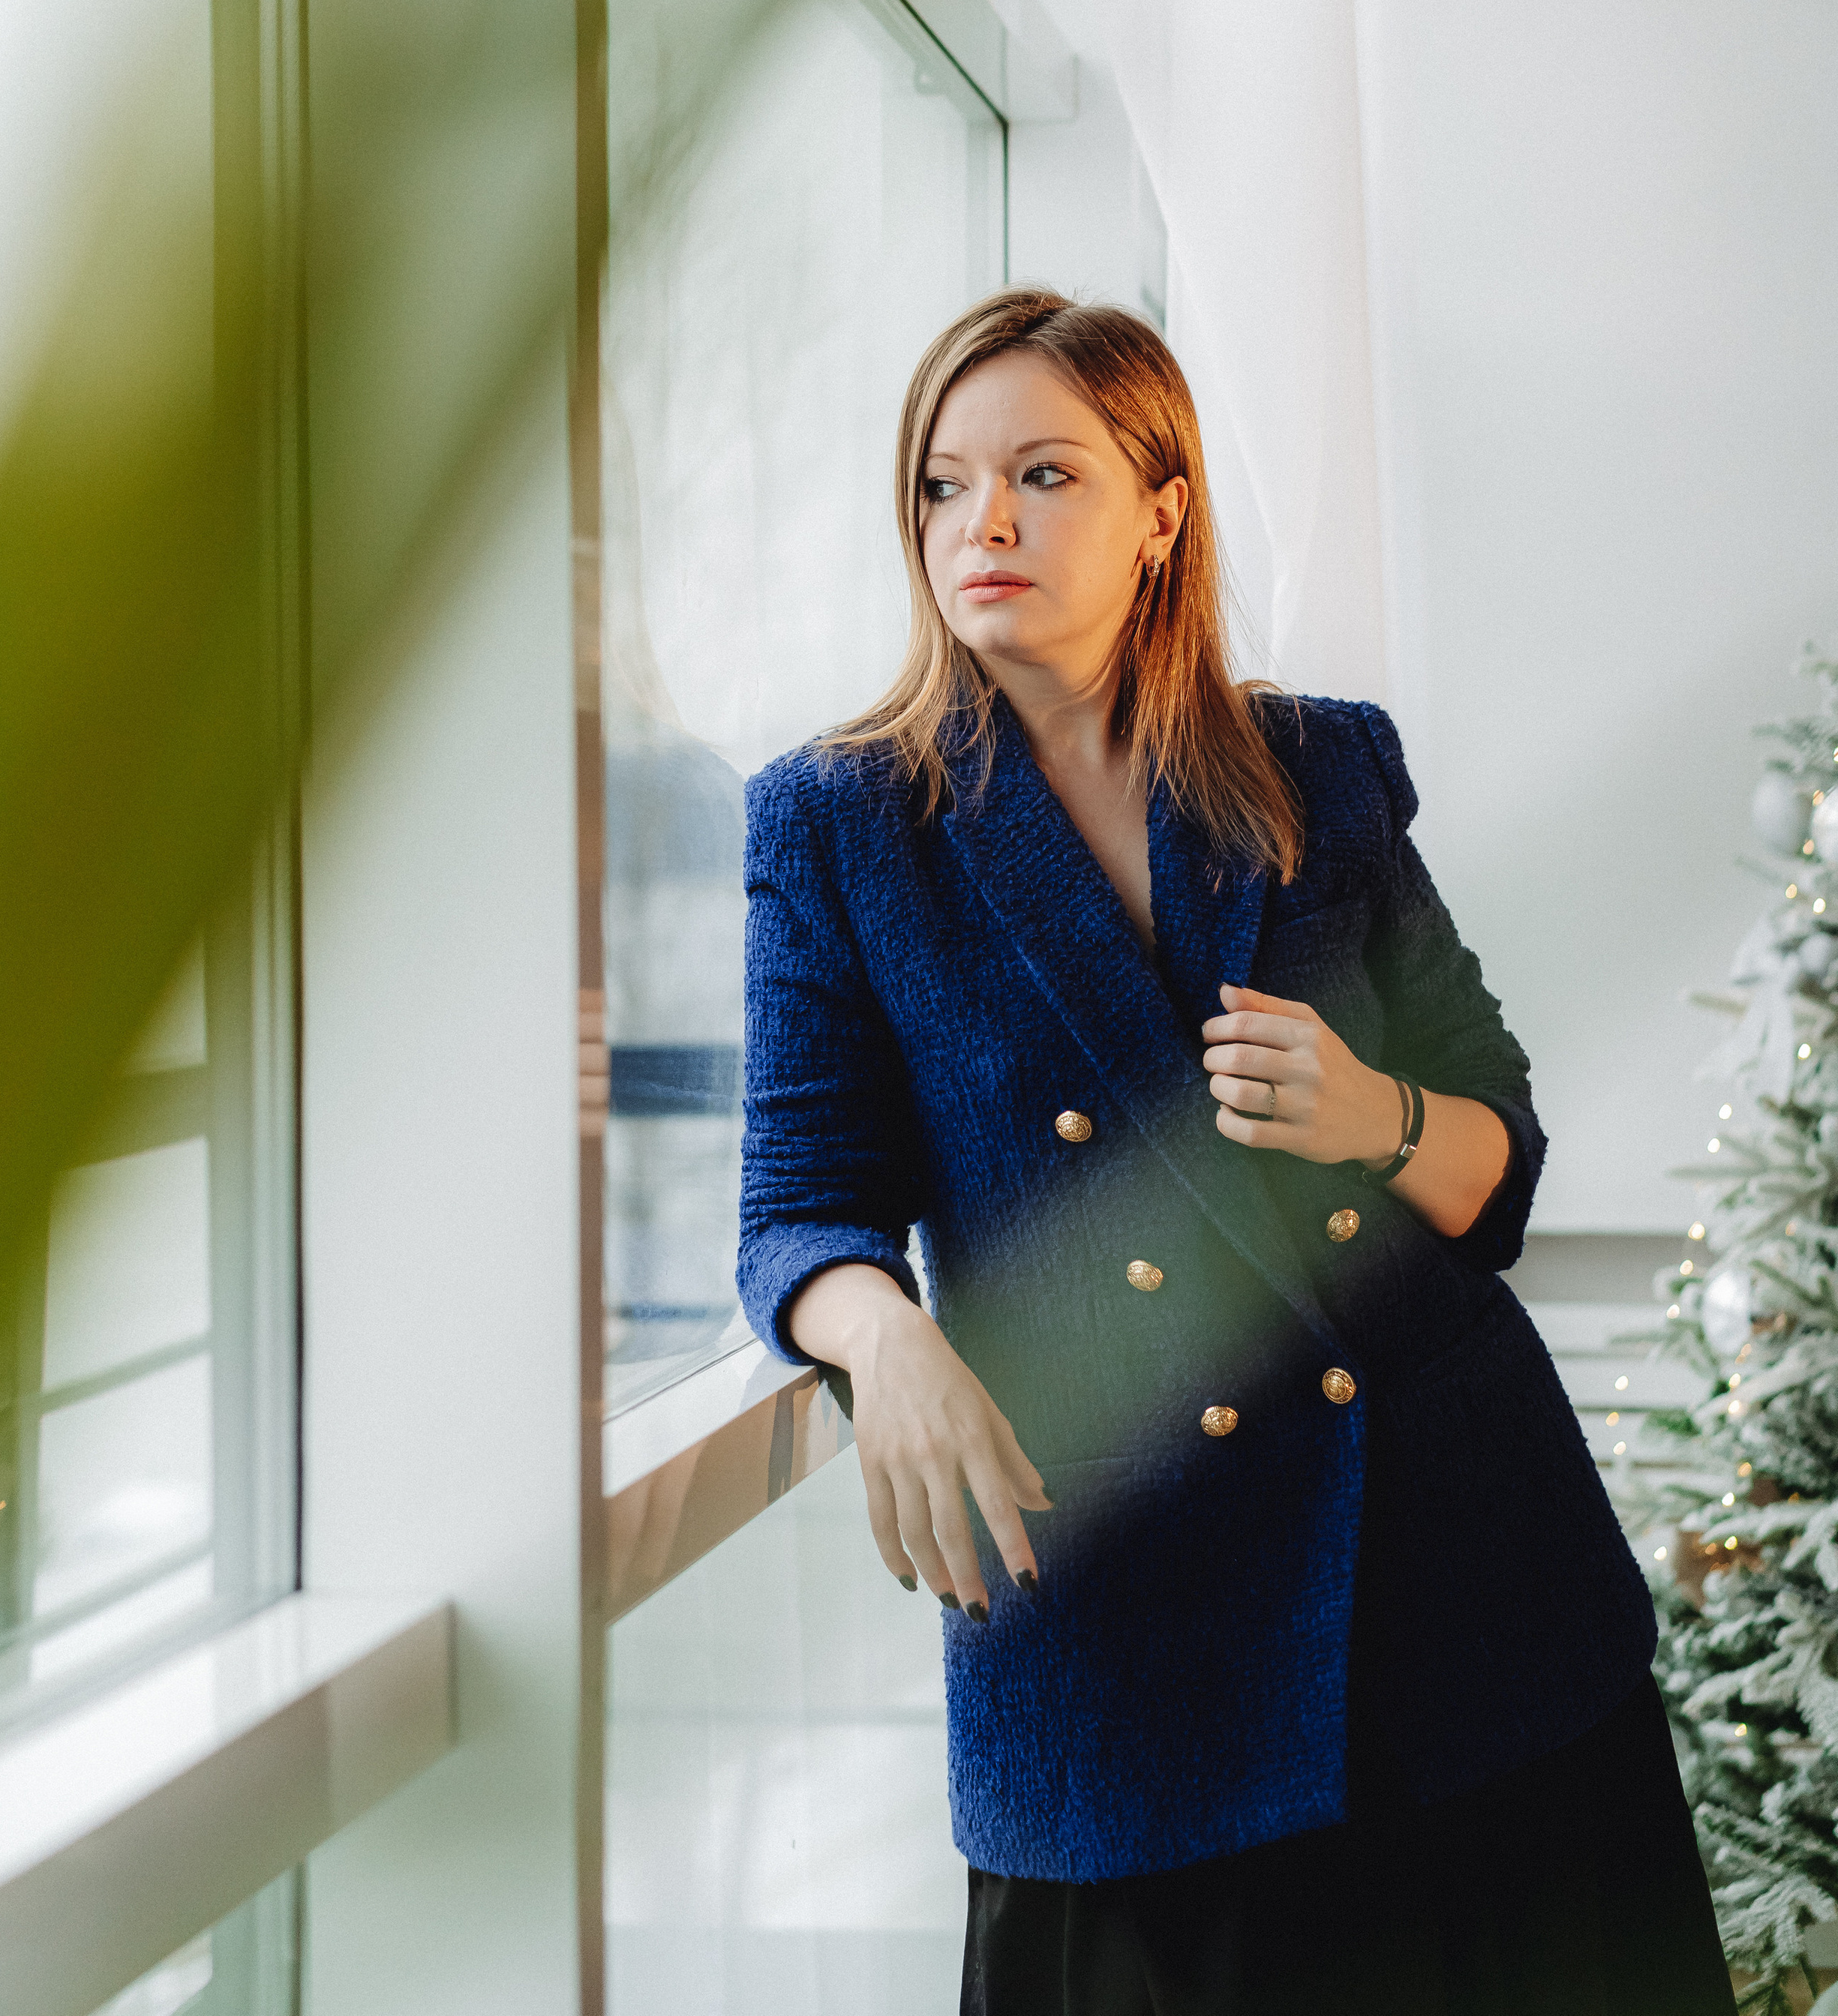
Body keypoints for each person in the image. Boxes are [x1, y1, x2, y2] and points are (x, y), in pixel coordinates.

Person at [735, 287, 1732, 2016]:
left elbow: (1496, 1158)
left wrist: (1380, 1116)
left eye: (1041, 475)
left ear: (1159, 507)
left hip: (1466, 1587)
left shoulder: (1315, 766)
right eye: (939, 486)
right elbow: (795, 1204)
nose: (980, 525)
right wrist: (879, 1335)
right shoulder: (837, 822)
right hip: (1122, 1619)